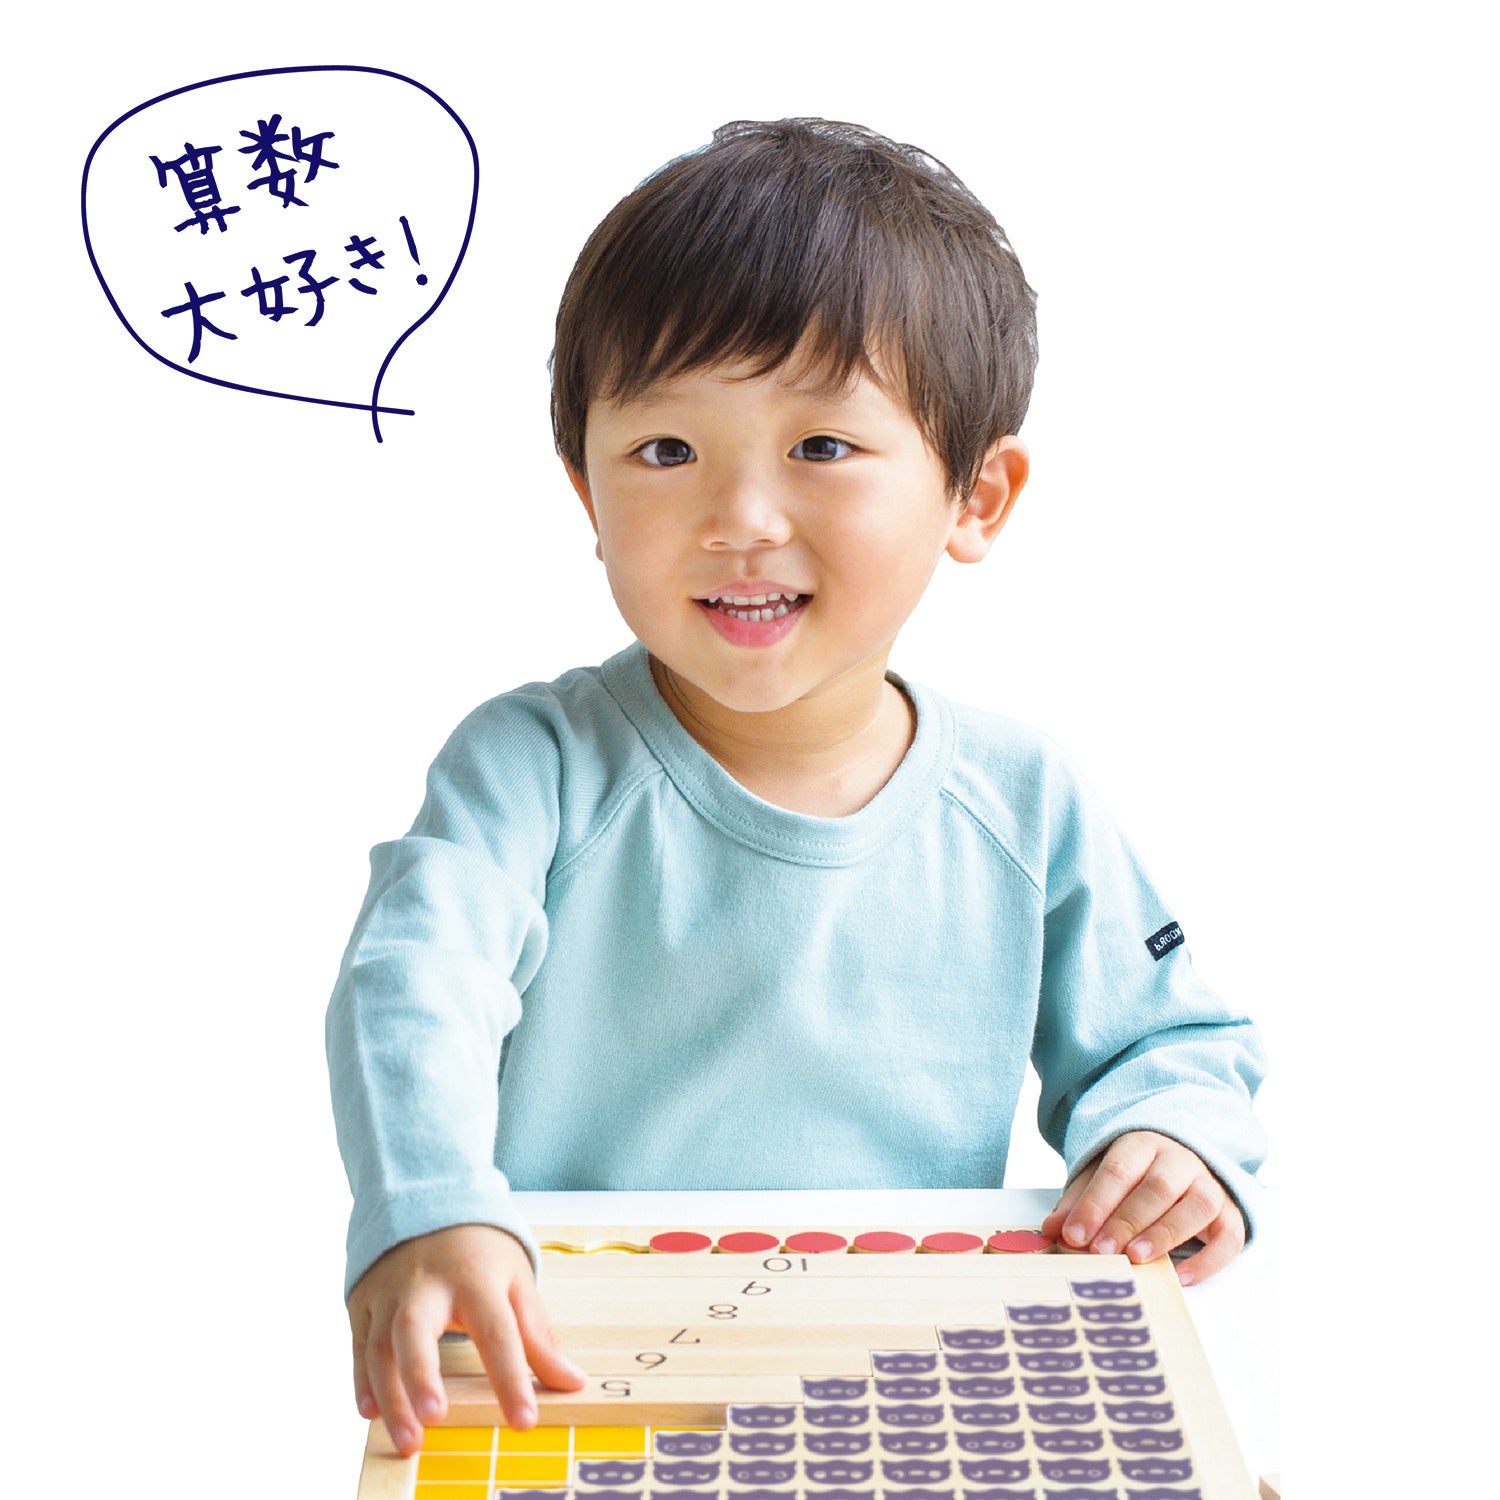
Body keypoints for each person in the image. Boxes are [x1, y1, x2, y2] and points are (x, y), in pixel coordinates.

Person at [326, 117, 1267, 1458]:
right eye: (666, 450)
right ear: (585, 493)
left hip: (898, 1382)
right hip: (569, 1367)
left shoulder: (1024, 799)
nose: (741, 520)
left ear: (978, 495)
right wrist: (430, 1204)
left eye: (821, 446)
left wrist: (1173, 1139)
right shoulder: (530, 767)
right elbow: (416, 980)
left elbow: (1171, 1044)